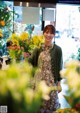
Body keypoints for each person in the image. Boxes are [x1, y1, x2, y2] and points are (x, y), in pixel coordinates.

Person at [28, 24, 63, 113]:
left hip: (51, 82)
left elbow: (59, 67)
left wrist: (59, 83)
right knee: (38, 106)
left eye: (51, 33)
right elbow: (30, 62)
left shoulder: (58, 49)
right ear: (43, 33)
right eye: (47, 32)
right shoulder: (38, 49)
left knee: (51, 106)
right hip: (38, 82)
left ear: (54, 35)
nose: (49, 35)